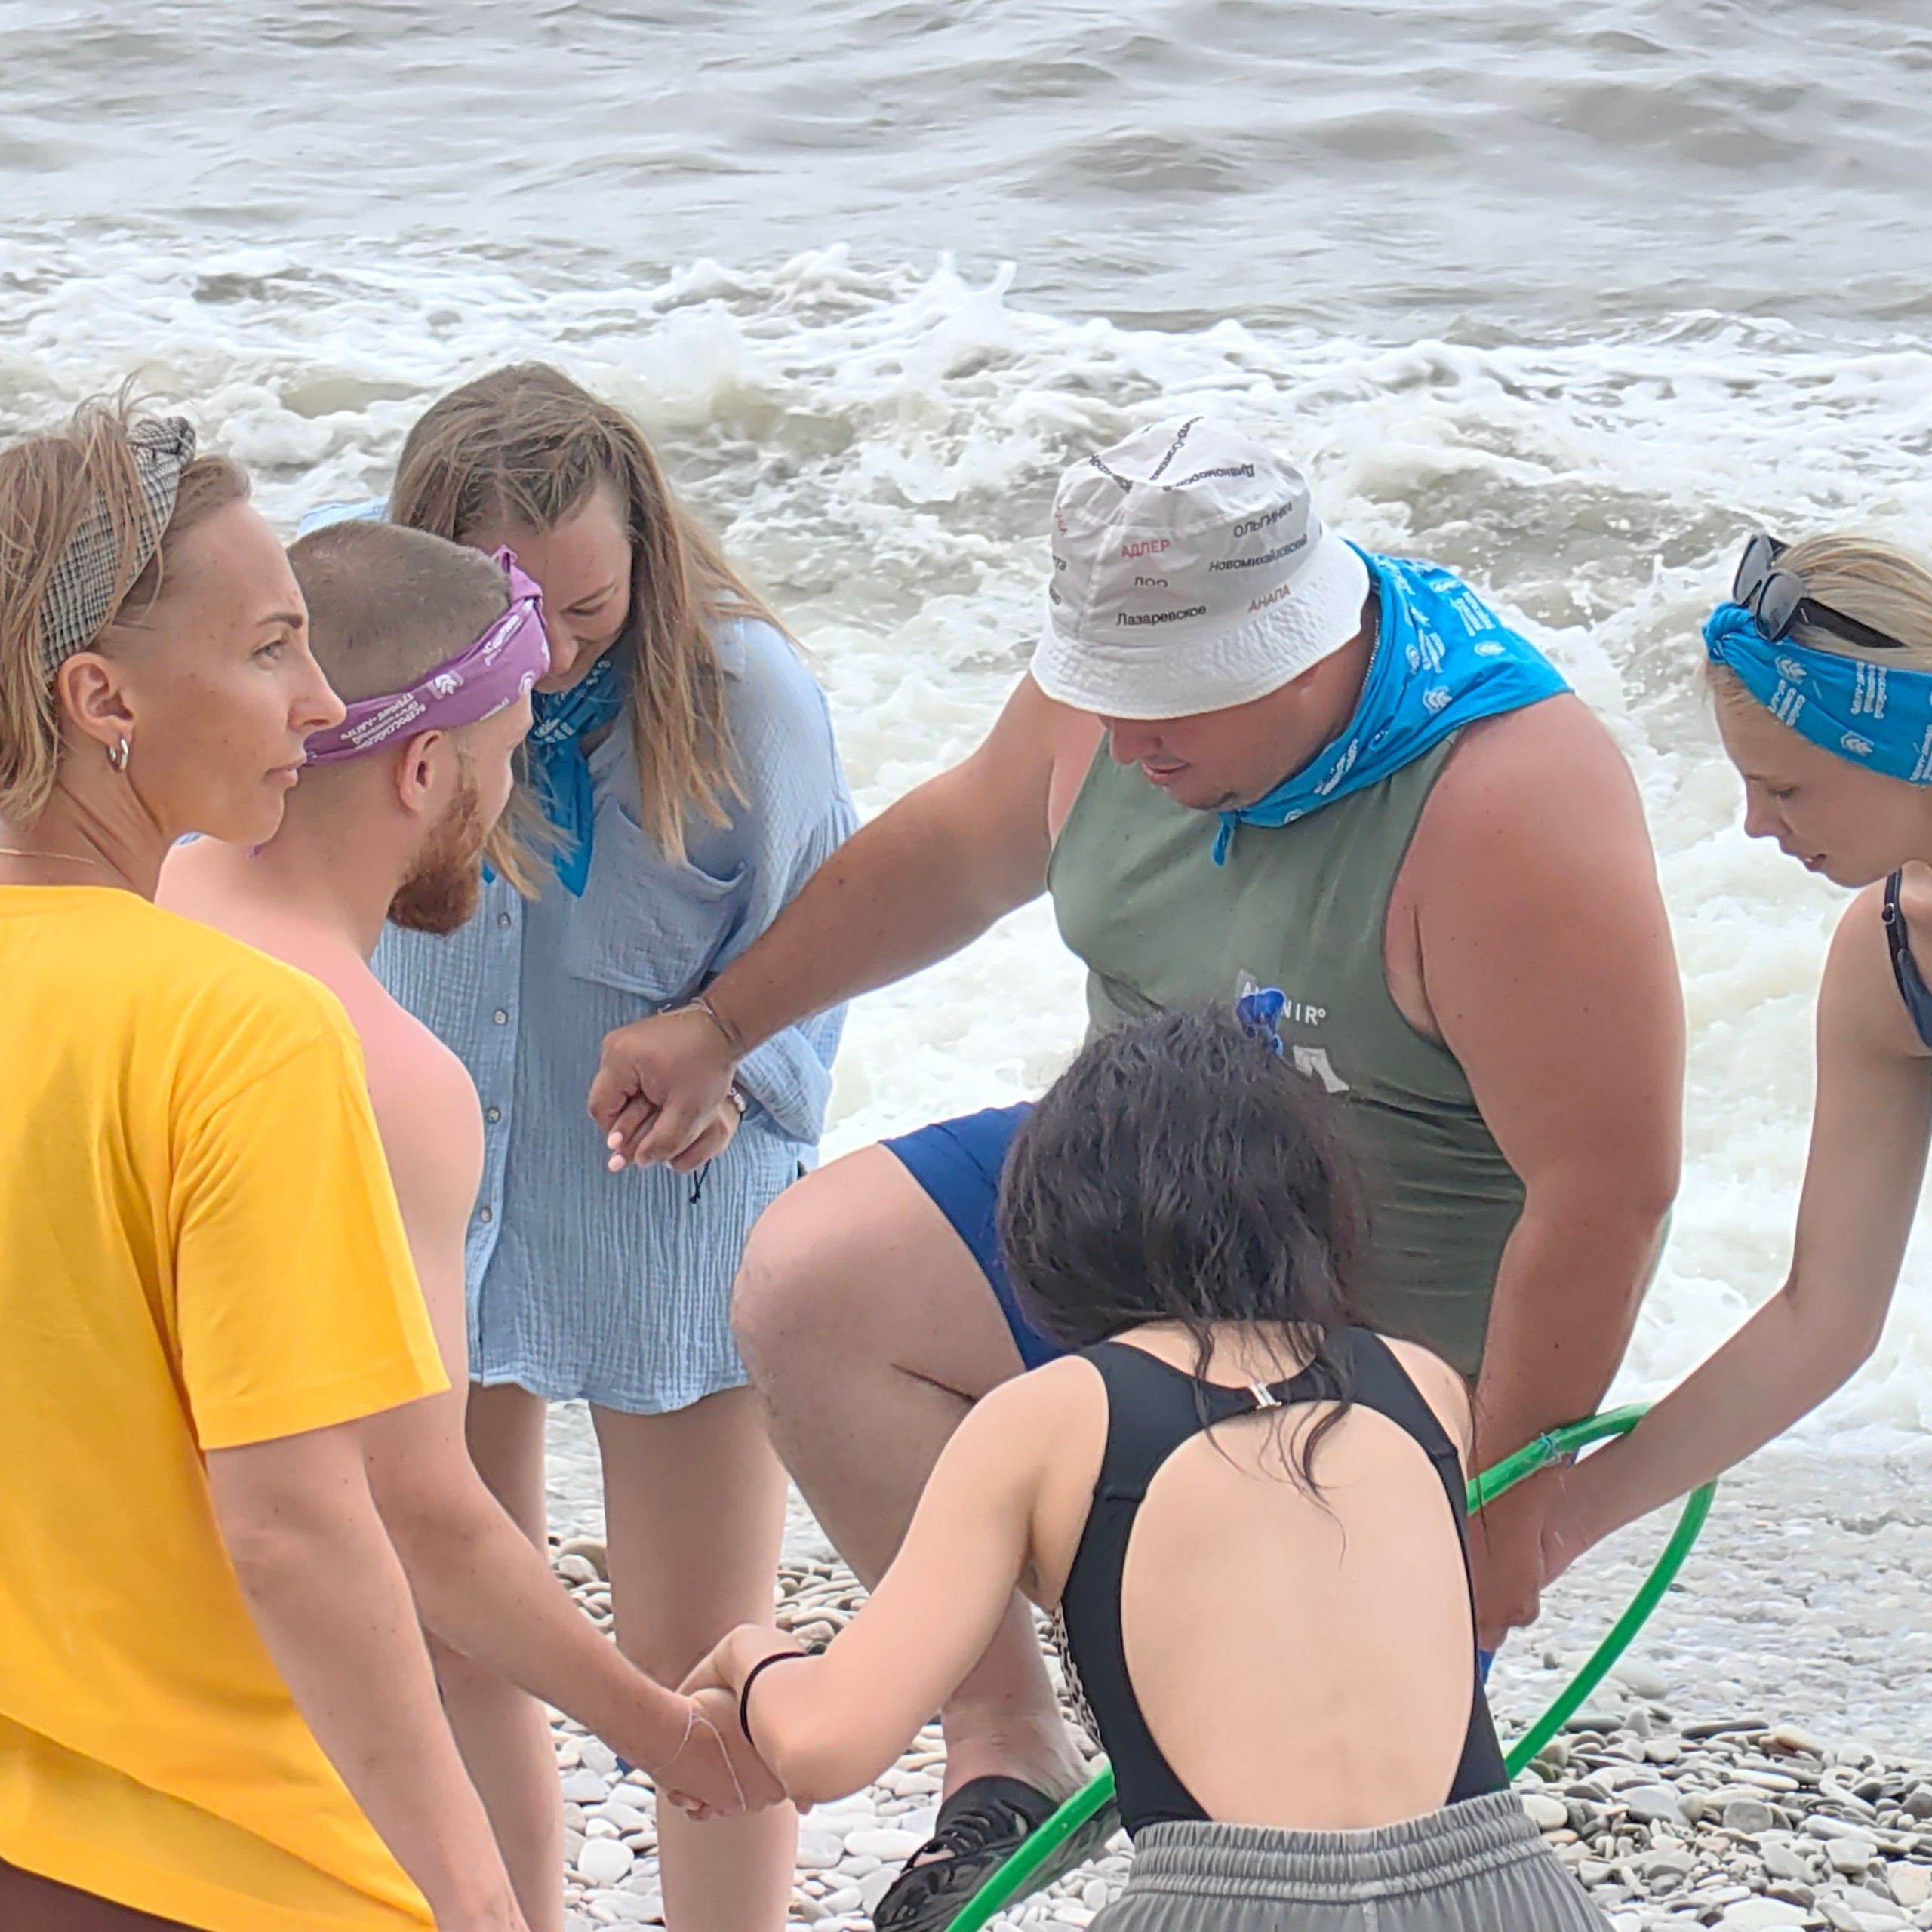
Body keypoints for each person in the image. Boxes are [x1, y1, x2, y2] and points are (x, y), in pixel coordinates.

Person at [590, 414, 1685, 1925]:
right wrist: (721, 1021)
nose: (1123, 738)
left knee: (1314, 1801)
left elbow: (1606, 1188)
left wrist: (1502, 1503)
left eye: (1167, 706)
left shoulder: (1502, 797)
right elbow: (955, 851)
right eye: (1102, 695)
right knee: (810, 1273)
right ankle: (1005, 1745)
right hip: (1135, 1219)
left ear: (1302, 645)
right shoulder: (1103, 703)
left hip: (1385, 1350)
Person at [159, 518, 777, 1930]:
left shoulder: (142, 904)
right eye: (503, 761)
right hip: (244, 1741)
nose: (504, 807)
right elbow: (420, 1514)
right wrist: (666, 1732)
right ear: (424, 768)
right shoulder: (375, 1070)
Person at [307, 362, 856, 1932]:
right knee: (447, 1630)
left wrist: (736, 1069)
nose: (544, 664)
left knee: (704, 1655)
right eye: (510, 617)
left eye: (589, 615)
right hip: (428, 1202)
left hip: (665, 1215)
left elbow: (818, 945)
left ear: (647, 563)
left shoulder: (751, 697)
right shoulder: (348, 669)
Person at [691, 1004, 1611, 1932]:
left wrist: (746, 1655)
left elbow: (825, 1746)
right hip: (1510, 1894)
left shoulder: (1052, 1417)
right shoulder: (1421, 1385)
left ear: (1051, 1224)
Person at [0, 401, 523, 1931]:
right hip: (218, 1861)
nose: (316, 702)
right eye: (267, 647)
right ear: (101, 696)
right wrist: (475, 1892)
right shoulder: (238, 1031)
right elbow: (296, 1521)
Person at [1540, 532, 1932, 1574]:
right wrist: (1562, 1523)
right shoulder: (1886, 960)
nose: (1755, 825)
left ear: (1895, 743)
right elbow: (1823, 1320)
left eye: (1789, 790)